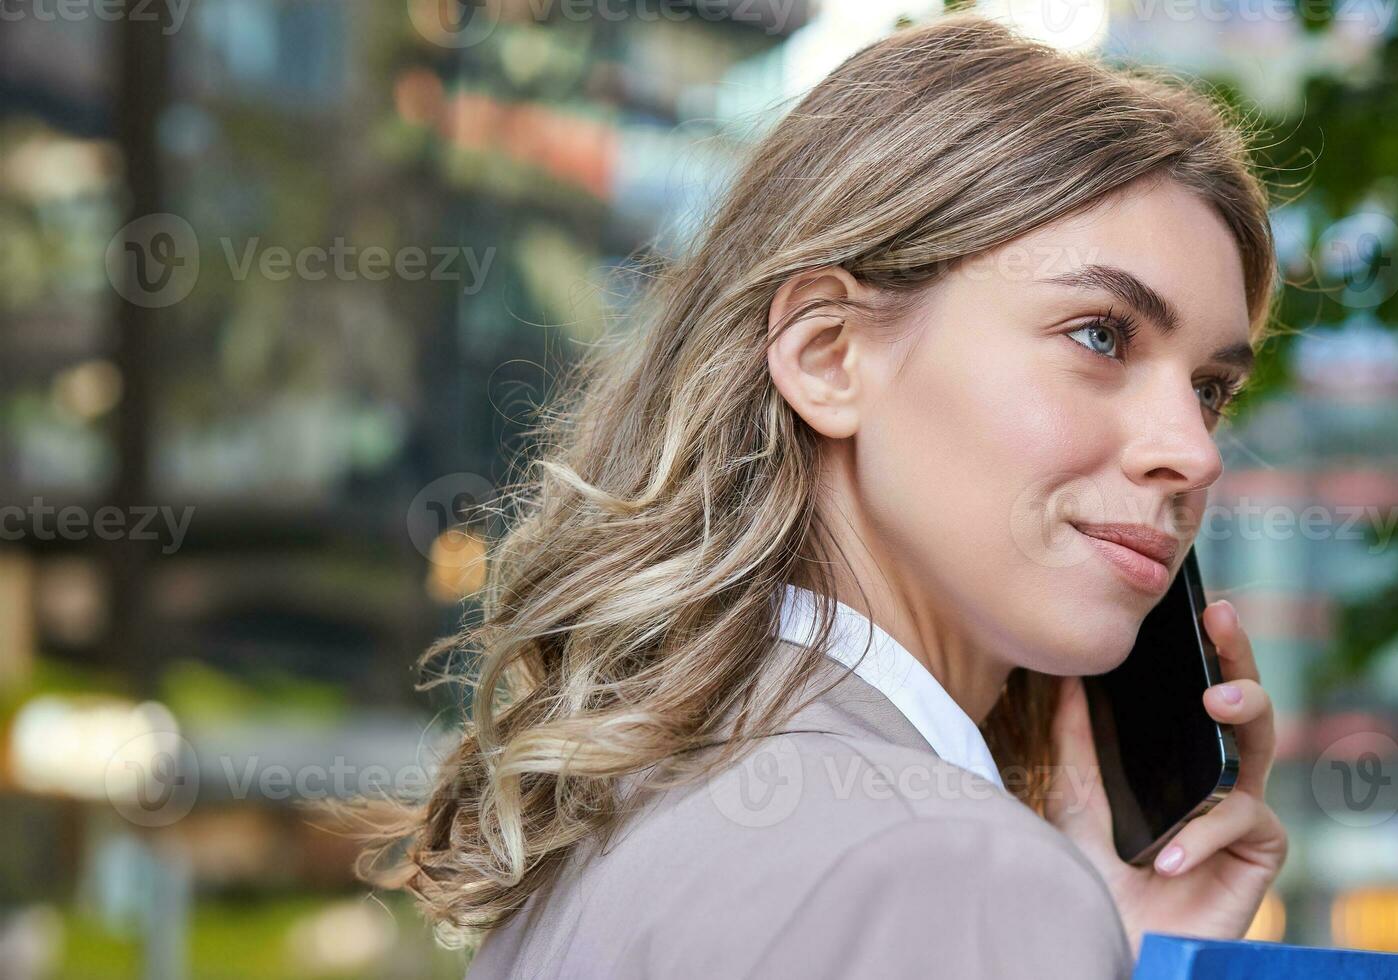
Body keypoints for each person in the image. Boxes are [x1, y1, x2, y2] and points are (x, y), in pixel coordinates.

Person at [352, 16, 1287, 977]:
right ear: (828, 356)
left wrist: (1106, 943)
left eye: (1209, 390)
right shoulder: (951, 873)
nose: (1193, 452)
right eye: (1101, 335)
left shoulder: (616, 828)